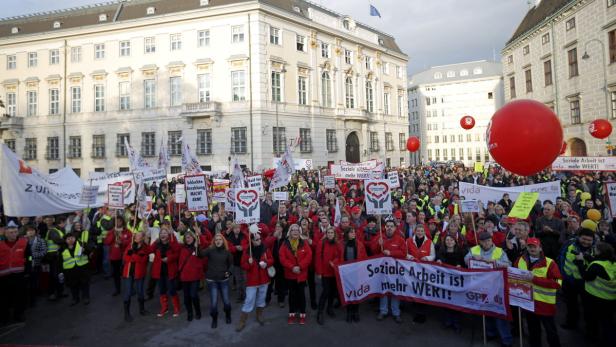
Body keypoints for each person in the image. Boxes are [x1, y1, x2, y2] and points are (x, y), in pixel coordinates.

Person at [465, 232, 512, 347]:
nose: (486, 243)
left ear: (491, 240)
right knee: (486, 310)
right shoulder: (474, 249)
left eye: (488, 241)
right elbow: (466, 260)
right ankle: (490, 333)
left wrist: (495, 262)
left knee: (499, 313)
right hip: (481, 286)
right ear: (480, 242)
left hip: (497, 287)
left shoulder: (500, 251)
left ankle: (506, 340)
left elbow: (509, 265)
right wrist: (472, 257)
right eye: (484, 241)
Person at [514, 238, 562, 347]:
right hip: (528, 303)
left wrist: (535, 279)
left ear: (540, 248)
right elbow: (514, 276)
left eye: (535, 246)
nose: (532, 248)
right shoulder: (520, 260)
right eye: (530, 246)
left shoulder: (550, 263)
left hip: (545, 304)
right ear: (526, 247)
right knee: (533, 330)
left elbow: (558, 282)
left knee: (551, 331)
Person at [578, 242, 616, 344]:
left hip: (594, 297)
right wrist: (589, 257)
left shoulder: (596, 265)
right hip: (610, 299)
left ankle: (592, 336)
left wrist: (580, 262)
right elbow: (601, 266)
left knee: (592, 318)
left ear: (599, 252)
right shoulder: (612, 262)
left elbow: (586, 276)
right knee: (608, 322)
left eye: (596, 249)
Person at [558, 227, 594, 330]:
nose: (586, 242)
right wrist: (563, 275)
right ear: (578, 237)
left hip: (586, 283)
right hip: (569, 281)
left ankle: (590, 329)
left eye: (589, 240)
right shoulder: (569, 244)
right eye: (584, 239)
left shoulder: (595, 249)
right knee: (571, 304)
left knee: (588, 307)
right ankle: (571, 323)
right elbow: (561, 257)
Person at [237, 231, 273, 331]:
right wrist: (249, 263)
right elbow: (243, 265)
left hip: (264, 279)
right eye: (257, 240)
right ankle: (242, 321)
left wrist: (266, 263)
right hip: (252, 280)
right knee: (249, 299)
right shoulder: (247, 251)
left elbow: (271, 259)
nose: (259, 241)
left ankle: (259, 315)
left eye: (260, 239)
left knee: (262, 298)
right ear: (251, 241)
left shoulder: (265, 248)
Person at [372, 219, 407, 323]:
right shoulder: (380, 237)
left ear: (395, 228)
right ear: (385, 227)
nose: (390, 228)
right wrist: (378, 244)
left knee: (395, 291)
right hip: (383, 270)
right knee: (384, 290)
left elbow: (403, 253)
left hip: (395, 270)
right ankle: (383, 311)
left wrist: (391, 252)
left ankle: (396, 312)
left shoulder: (400, 239)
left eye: (392, 226)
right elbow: (373, 251)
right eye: (388, 226)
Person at [279, 223, 313, 325]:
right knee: (292, 295)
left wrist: (300, 267)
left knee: (302, 295)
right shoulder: (285, 244)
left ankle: (302, 314)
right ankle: (292, 314)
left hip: (301, 275)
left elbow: (309, 256)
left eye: (297, 230)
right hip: (290, 274)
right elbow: (282, 257)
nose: (295, 232)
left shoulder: (304, 243)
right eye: (293, 230)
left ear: (299, 232)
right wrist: (292, 267)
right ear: (290, 232)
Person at [202, 233, 233, 328]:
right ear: (214, 242)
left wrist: (229, 272)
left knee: (227, 302)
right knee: (214, 303)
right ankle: (214, 319)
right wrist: (197, 243)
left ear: (223, 241)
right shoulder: (210, 250)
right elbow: (200, 254)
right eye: (216, 240)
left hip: (224, 280)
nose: (218, 241)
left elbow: (231, 265)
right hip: (212, 280)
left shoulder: (227, 252)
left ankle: (228, 315)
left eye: (220, 239)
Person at [405, 224, 435, 323]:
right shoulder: (409, 240)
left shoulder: (429, 242)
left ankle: (422, 313)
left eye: (422, 231)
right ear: (415, 231)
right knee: (414, 290)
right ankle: (416, 312)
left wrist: (427, 258)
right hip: (412, 270)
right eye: (418, 230)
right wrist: (410, 257)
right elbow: (405, 252)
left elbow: (433, 255)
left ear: (424, 232)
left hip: (424, 271)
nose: (420, 232)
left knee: (423, 291)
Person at [337, 227, 367, 323]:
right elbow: (337, 256)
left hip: (356, 273)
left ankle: (356, 312)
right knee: (348, 293)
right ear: (346, 234)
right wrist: (334, 263)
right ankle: (349, 312)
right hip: (345, 273)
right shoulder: (341, 244)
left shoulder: (359, 244)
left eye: (354, 232)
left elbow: (364, 257)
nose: (353, 234)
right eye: (351, 232)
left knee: (356, 293)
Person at [0, 222, 28, 325]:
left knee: (19, 296)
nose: (13, 234)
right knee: (4, 298)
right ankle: (4, 317)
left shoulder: (24, 242)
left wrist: (27, 271)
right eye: (11, 232)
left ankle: (19, 314)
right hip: (3, 276)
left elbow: (28, 257)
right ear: (5, 233)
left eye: (15, 232)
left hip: (19, 274)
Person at [436, 234, 465, 332]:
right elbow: (436, 264)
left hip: (456, 282)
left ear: (455, 242)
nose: (449, 242)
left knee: (456, 303)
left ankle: (456, 323)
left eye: (451, 240)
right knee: (446, 303)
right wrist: (438, 261)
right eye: (447, 240)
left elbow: (464, 265)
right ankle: (448, 321)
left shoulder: (460, 252)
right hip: (445, 281)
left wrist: (460, 266)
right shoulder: (441, 252)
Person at [151, 228, 181, 318]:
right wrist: (154, 242)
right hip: (159, 271)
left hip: (169, 270)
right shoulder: (157, 244)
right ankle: (164, 308)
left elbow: (177, 252)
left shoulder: (171, 243)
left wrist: (169, 258)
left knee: (172, 290)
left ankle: (176, 308)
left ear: (168, 235)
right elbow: (149, 249)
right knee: (162, 290)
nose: (163, 235)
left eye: (165, 233)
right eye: (161, 233)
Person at [122, 232, 151, 322]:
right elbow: (125, 258)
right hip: (128, 273)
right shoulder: (130, 245)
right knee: (127, 293)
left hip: (139, 273)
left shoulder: (145, 247)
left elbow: (142, 260)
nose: (136, 237)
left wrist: (133, 255)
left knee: (140, 291)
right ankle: (127, 314)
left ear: (142, 238)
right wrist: (135, 256)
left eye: (139, 236)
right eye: (136, 235)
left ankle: (142, 310)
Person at [315, 226, 340, 325]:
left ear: (334, 234)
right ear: (326, 233)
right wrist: (319, 272)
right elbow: (318, 258)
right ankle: (320, 312)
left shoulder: (337, 244)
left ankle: (329, 308)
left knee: (332, 292)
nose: (330, 234)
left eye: (332, 233)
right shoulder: (322, 243)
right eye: (328, 232)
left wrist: (334, 262)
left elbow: (339, 256)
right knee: (325, 292)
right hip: (325, 272)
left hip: (333, 271)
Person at [178, 231, 205, 322]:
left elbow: (202, 255)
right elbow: (173, 245)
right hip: (184, 276)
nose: (188, 239)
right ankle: (190, 313)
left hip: (195, 276)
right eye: (186, 237)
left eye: (189, 237)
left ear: (193, 238)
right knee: (186, 297)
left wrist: (199, 237)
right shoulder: (182, 247)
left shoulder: (197, 247)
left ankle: (198, 311)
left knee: (193, 295)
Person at [61, 232, 91, 306]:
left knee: (84, 283)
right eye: (68, 239)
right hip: (70, 270)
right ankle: (75, 298)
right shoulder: (62, 248)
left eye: (72, 238)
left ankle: (86, 297)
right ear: (65, 240)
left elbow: (90, 251)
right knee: (73, 285)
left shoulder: (81, 244)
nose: (70, 240)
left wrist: (85, 250)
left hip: (82, 267)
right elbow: (60, 260)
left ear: (75, 238)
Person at [104, 217, 131, 296]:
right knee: (116, 274)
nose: (118, 223)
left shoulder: (127, 231)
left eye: (120, 221)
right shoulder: (111, 232)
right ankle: (117, 289)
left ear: (123, 222)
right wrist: (113, 234)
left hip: (125, 256)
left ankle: (129, 288)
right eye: (116, 221)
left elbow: (131, 241)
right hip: (114, 256)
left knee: (126, 273)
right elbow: (107, 242)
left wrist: (122, 242)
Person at [43, 215, 66, 301]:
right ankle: (52, 293)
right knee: (53, 275)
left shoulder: (59, 230)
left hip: (58, 255)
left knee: (59, 274)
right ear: (61, 223)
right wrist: (67, 239)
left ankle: (60, 291)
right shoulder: (53, 231)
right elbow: (57, 240)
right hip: (52, 256)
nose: (65, 224)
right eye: (65, 222)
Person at [24, 224, 47, 307]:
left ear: (35, 231)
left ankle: (33, 300)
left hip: (36, 265)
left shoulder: (41, 240)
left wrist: (33, 255)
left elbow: (44, 252)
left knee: (34, 282)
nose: (30, 232)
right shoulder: (22, 240)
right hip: (25, 266)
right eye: (28, 230)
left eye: (32, 230)